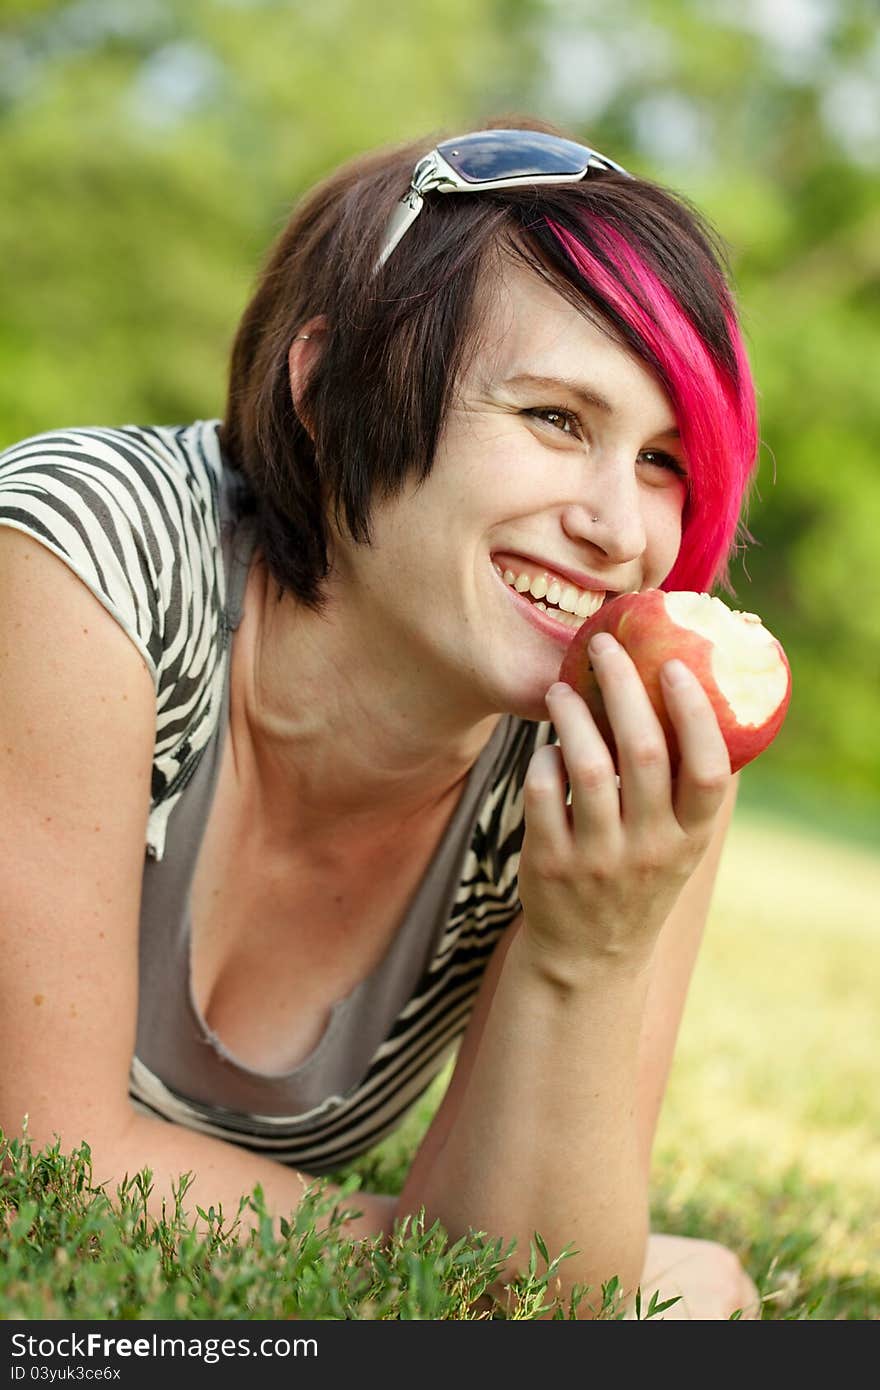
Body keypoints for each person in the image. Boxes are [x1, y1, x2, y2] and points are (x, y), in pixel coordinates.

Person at [0, 118, 762, 1319]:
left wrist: (586, 952)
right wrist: (436, 1248)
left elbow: (545, 1300)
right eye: (557, 419)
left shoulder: (621, 764)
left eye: (665, 459)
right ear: (327, 384)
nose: (622, 532)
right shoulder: (89, 563)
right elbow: (35, 1159)